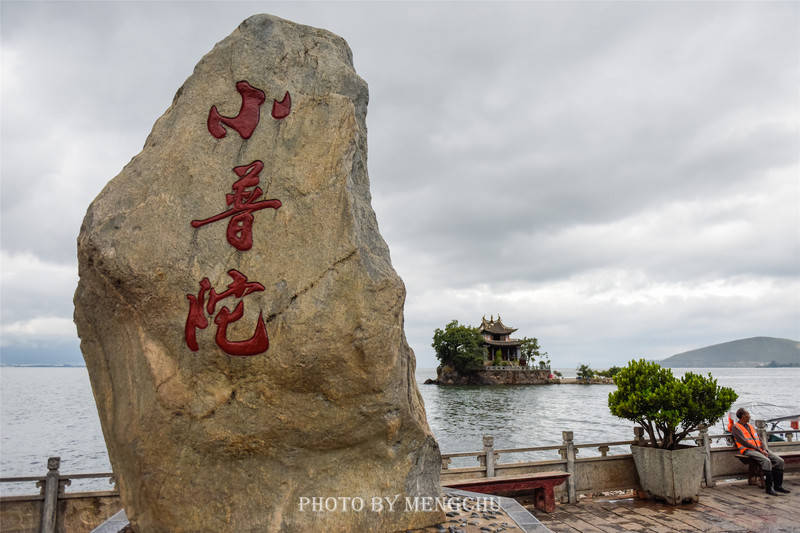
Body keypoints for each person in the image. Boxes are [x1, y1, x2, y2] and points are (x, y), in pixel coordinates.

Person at [731, 408, 790, 495]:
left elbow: (759, 439)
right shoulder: (736, 427)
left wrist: (764, 449)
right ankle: (769, 488)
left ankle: (778, 486)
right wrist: (760, 450)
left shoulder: (750, 426)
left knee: (780, 461)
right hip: (748, 450)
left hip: (759, 449)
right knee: (766, 461)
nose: (749, 416)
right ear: (743, 416)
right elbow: (744, 442)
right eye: (748, 415)